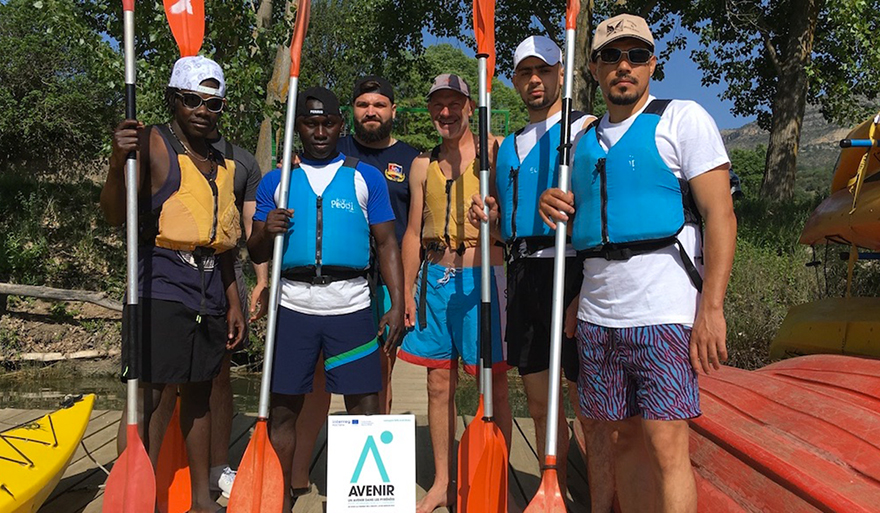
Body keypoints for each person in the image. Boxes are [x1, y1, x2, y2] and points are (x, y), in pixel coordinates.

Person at [539, 14, 736, 513]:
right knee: (622, 439)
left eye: (635, 56)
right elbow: (588, 222)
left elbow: (721, 216)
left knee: (666, 447)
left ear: (653, 64)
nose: (623, 66)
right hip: (599, 318)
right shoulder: (580, 139)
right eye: (610, 56)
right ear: (593, 67)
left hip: (664, 314)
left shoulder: (682, 118)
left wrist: (711, 308)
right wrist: (549, 203)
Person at [468, 35, 614, 510]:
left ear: (560, 74)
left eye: (544, 71)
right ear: (513, 80)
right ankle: (557, 490)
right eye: (525, 73)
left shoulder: (585, 129)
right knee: (538, 404)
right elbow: (505, 209)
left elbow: (600, 201)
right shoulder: (505, 146)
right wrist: (488, 210)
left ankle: (601, 499)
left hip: (571, 270)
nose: (535, 80)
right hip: (523, 274)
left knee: (588, 406)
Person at [247, 86, 405, 513]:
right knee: (283, 409)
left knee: (365, 404)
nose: (320, 131)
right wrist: (267, 228)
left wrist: (396, 303)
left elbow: (388, 244)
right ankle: (277, 499)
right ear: (298, 127)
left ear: (341, 125)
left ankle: (367, 501)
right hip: (293, 307)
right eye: (311, 123)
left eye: (328, 122)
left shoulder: (364, 176)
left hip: (351, 306)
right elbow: (256, 251)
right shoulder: (276, 180)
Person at [101, 55, 246, 513]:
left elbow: (219, 242)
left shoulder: (222, 161)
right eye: (192, 100)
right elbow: (112, 213)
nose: (203, 110)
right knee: (153, 392)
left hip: (208, 285)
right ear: (173, 100)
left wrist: (234, 300)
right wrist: (117, 158)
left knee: (200, 392)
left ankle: (200, 498)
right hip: (160, 282)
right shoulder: (153, 143)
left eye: (213, 103)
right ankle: (136, 497)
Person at [287, 75, 420, 498]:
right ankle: (297, 474)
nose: (371, 111)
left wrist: (405, 295)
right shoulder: (332, 148)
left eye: (380, 104)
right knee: (316, 384)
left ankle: (370, 485)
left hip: (387, 282)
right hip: (335, 284)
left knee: (377, 378)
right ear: (350, 115)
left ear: (392, 110)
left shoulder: (411, 159)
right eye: (362, 104)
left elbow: (410, 231)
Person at [397, 74, 512, 513]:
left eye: (454, 104)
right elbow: (411, 233)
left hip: (485, 275)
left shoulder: (496, 153)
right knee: (437, 383)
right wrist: (407, 291)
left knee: (494, 381)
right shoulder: (422, 166)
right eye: (438, 105)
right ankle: (443, 481)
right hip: (436, 278)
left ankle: (494, 476)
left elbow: (514, 221)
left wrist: (498, 214)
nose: (446, 113)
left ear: (470, 107)